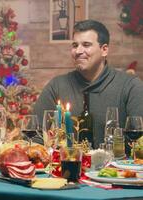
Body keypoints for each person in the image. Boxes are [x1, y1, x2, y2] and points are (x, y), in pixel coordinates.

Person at [33, 19, 143, 149]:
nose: (78, 51)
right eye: (75, 45)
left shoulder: (130, 86)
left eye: (86, 45)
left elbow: (140, 142)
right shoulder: (57, 86)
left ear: (104, 50)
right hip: (69, 167)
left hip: (119, 168)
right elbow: (36, 137)